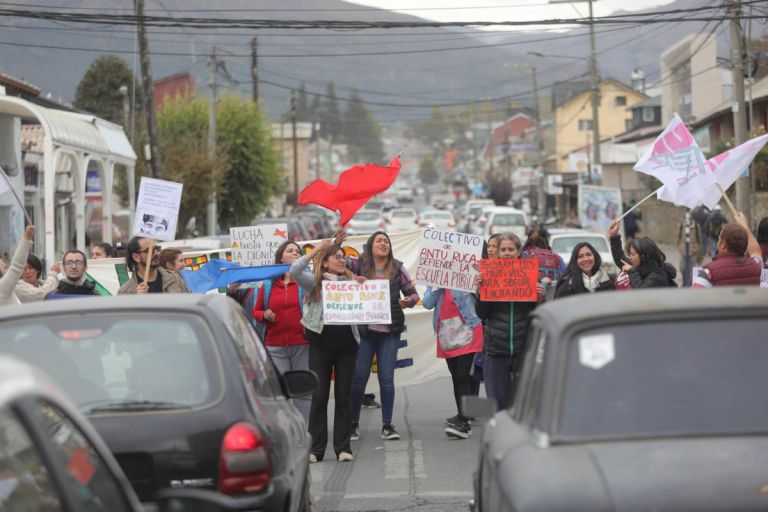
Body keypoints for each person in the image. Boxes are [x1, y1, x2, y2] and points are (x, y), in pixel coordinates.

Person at [291, 236, 359, 463]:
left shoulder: (352, 283)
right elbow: (295, 270)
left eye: (344, 258)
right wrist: (314, 252)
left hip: (347, 346)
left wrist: (363, 287)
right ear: (326, 261)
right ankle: (316, 449)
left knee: (343, 397)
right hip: (321, 345)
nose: (342, 261)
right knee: (319, 397)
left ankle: (343, 448)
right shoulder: (314, 283)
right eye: (337, 257)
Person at [348, 231, 419, 442]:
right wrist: (352, 278)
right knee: (359, 378)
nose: (383, 243)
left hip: (389, 333)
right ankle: (353, 424)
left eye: (386, 241)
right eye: (379, 240)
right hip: (364, 333)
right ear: (370, 246)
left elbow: (413, 293)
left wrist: (410, 300)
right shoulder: (358, 263)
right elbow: (336, 264)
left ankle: (387, 425)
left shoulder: (398, 267)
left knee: (386, 379)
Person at [476, 233, 545, 411]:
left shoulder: (529, 275)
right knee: (498, 405)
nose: (507, 253)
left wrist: (539, 297)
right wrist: (481, 291)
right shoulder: (489, 275)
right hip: (496, 349)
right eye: (503, 250)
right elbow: (482, 314)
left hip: (523, 349)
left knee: (523, 404)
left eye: (511, 249)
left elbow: (538, 315)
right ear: (498, 253)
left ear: (518, 251)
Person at [253, 241, 310, 424]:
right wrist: (265, 314)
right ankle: (287, 431)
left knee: (302, 392)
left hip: (301, 344)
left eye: (297, 251)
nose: (295, 253)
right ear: (280, 257)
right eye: (290, 250)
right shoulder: (268, 284)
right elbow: (256, 311)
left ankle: (303, 431)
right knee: (281, 393)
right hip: (275, 346)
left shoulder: (304, 282)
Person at [422, 285, 483, 439]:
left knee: (463, 376)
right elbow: (427, 303)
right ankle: (462, 416)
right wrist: (436, 286)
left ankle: (464, 422)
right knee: (456, 377)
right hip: (447, 331)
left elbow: (481, 297)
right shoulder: (436, 279)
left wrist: (477, 285)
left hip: (467, 328)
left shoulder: (466, 274)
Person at [693, 213, 762, 287]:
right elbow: (756, 251)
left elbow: (694, 297)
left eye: (719, 238)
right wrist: (744, 226)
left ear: (723, 244)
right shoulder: (756, 265)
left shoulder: (707, 273)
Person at [609, 220, 677, 288]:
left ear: (643, 257)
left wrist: (632, 272)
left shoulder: (658, 276)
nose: (629, 257)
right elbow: (621, 259)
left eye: (632, 254)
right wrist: (614, 235)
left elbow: (641, 292)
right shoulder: (639, 265)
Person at [117, 237, 189, 294]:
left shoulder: (175, 279)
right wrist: (137, 301)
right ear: (136, 257)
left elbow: (189, 305)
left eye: (156, 248)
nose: (156, 253)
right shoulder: (125, 292)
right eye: (149, 250)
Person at [0, 225, 34, 306]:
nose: (5, 265)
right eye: (1, 263)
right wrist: (26, 238)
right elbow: (16, 267)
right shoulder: (2, 288)